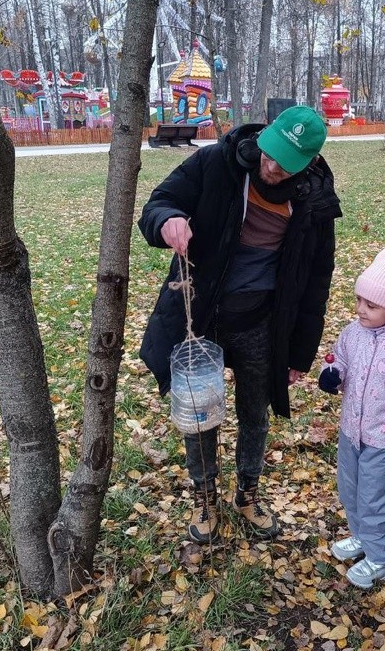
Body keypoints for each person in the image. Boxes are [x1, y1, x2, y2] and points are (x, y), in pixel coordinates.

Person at [138, 105, 342, 543]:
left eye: (284, 163)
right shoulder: (218, 163)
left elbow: (315, 284)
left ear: (307, 164)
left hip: (262, 325)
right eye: (268, 154)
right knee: (200, 413)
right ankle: (205, 497)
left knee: (255, 413)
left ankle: (247, 493)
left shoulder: (315, 204)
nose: (270, 167)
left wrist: (300, 354)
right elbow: (158, 203)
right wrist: (168, 221)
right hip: (204, 317)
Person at [318, 234, 385, 589]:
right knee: (350, 490)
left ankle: (383, 558)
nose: (361, 309)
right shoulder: (355, 332)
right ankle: (363, 537)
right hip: (352, 432)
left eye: (372, 305)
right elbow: (341, 358)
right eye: (359, 300)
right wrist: (333, 373)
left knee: (376, 498)